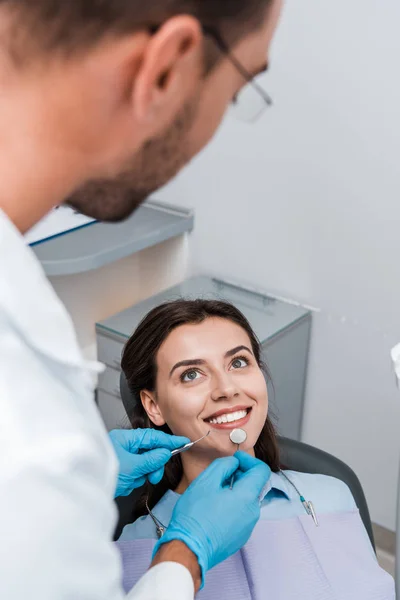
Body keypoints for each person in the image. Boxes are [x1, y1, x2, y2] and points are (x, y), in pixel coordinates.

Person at [0, 1, 284, 599]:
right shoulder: (32, 435)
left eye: (239, 361)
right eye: (236, 90)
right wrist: (185, 554)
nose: (229, 388)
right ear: (166, 69)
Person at [118, 299, 395, 599]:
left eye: (238, 362)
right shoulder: (127, 551)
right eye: (191, 374)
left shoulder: (331, 496)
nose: (227, 389)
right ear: (153, 406)